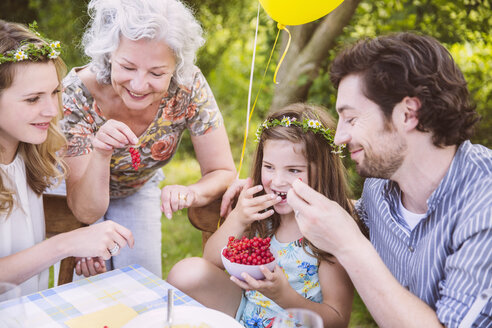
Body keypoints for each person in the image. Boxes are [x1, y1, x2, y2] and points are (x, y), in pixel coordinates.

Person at [285, 32, 492, 327]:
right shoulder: (379, 187)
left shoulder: (484, 207)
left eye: (352, 119)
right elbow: (355, 215)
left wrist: (349, 245)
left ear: (408, 113)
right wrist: (271, 190)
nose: (340, 137)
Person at [59, 0, 236, 277]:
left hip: (137, 186)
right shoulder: (75, 96)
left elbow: (222, 170)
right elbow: (85, 211)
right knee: (90, 282)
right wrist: (102, 152)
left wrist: (193, 192)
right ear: (109, 54)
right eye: (128, 67)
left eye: (156, 73)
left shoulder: (188, 86)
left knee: (142, 279)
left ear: (176, 66)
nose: (140, 85)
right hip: (78, 190)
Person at [168, 103, 362, 328]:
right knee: (186, 272)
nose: (277, 181)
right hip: (247, 313)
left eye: (294, 170)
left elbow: (337, 320)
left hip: (298, 322)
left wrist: (281, 294)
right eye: (269, 167)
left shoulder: (327, 231)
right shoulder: (262, 214)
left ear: (323, 172)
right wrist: (238, 218)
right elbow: (210, 261)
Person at [0, 20, 134, 297]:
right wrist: (66, 245)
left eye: (54, 93)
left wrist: (82, 245)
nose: (52, 110)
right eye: (33, 99)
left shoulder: (28, 154)